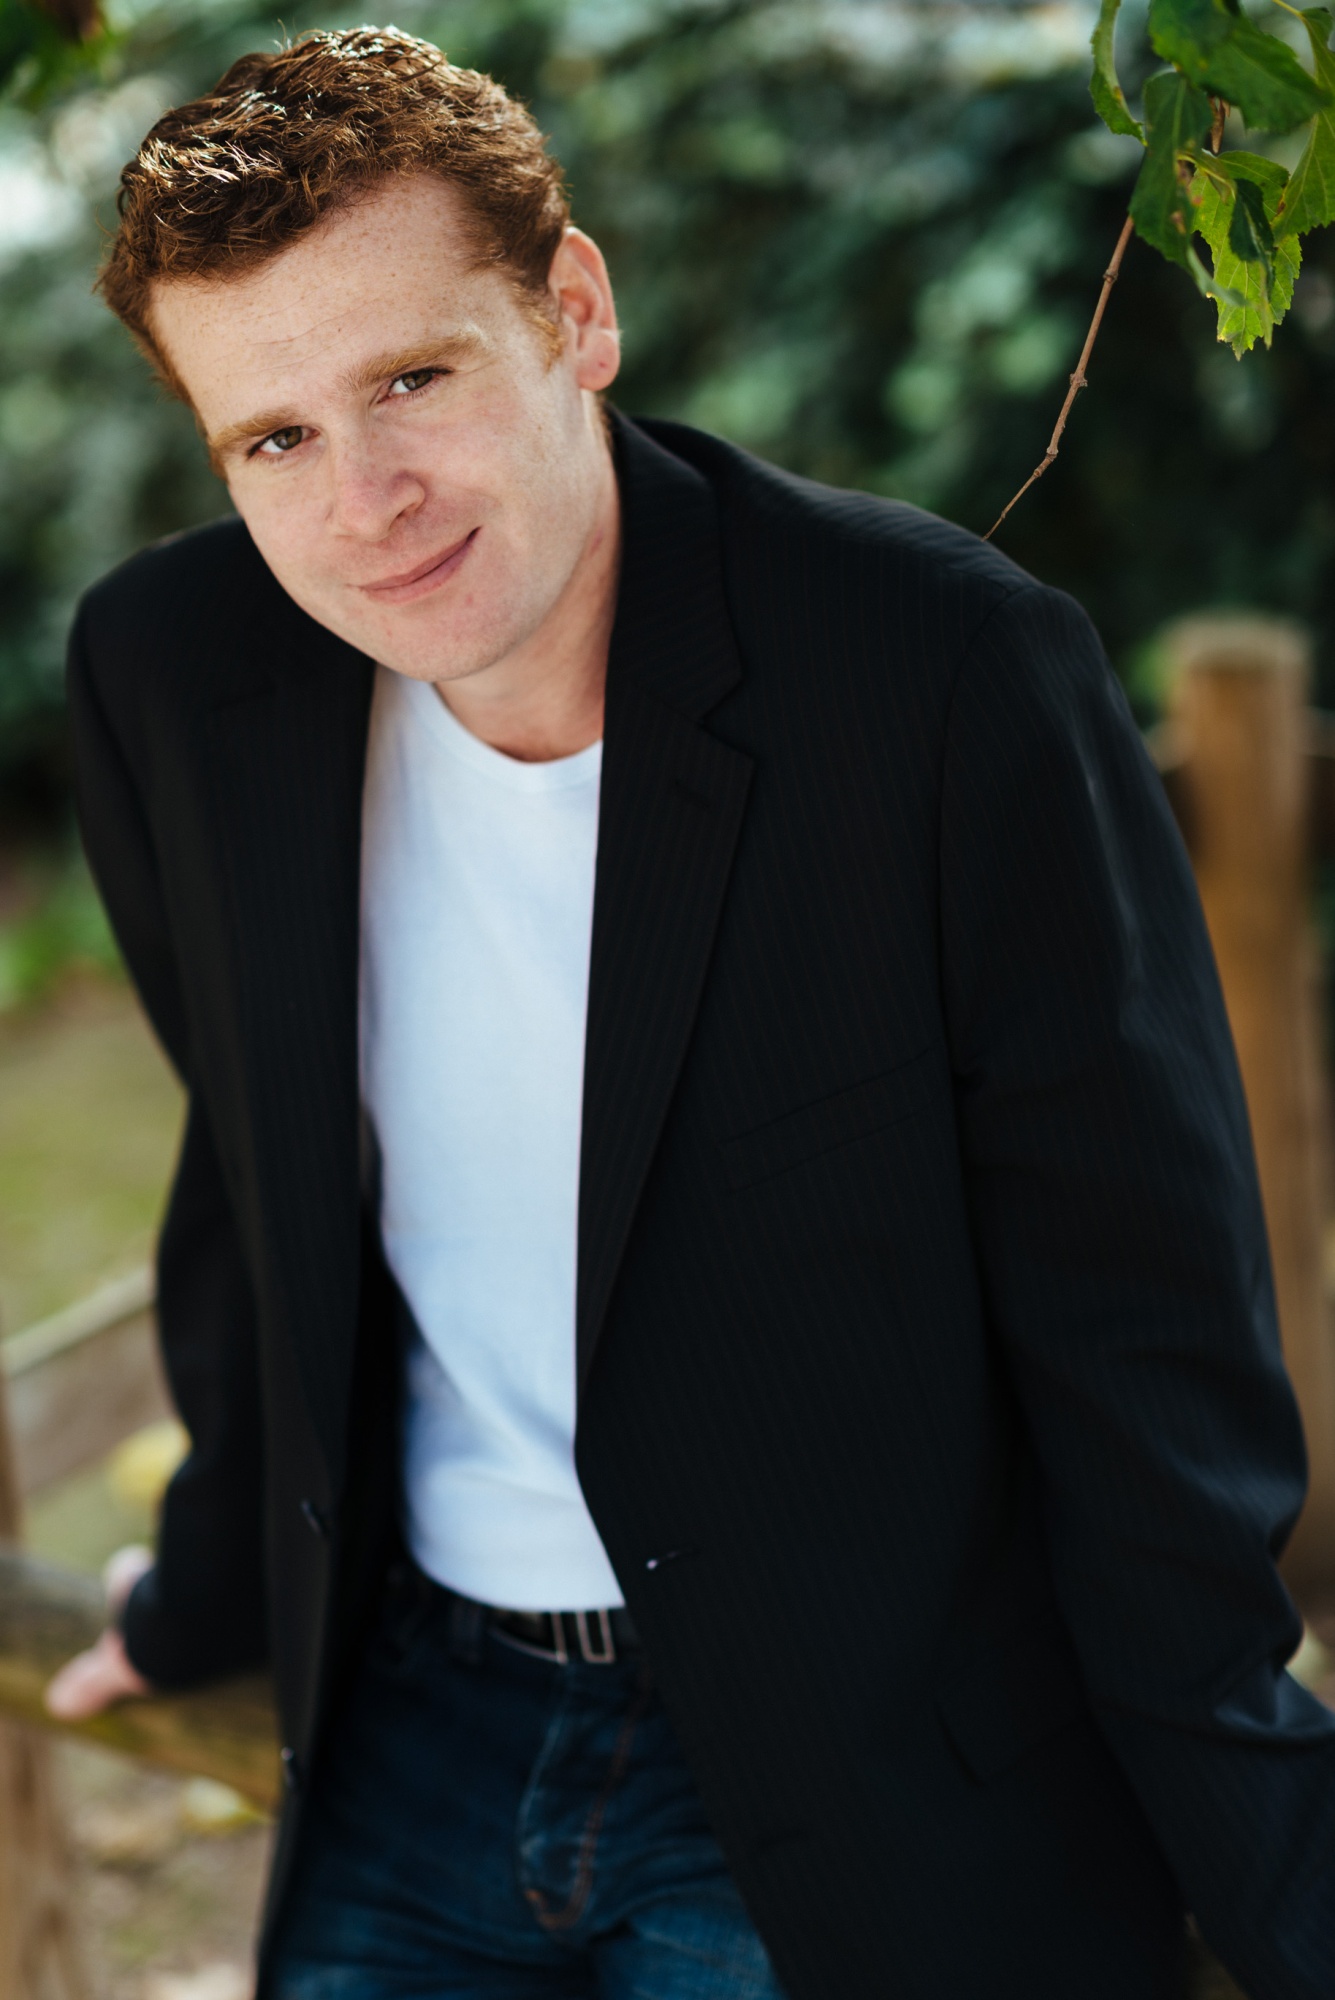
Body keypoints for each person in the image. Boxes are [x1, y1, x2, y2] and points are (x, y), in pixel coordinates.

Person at [43, 25, 1335, 2000]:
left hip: (849, 1757)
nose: (365, 498)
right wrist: (211, 1582)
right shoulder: (175, 676)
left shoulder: (941, 678)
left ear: (574, 310)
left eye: (409, 379)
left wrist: (1269, 1859)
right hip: (415, 1718)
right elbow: (254, 1180)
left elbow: (1135, 1321)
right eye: (273, 439)